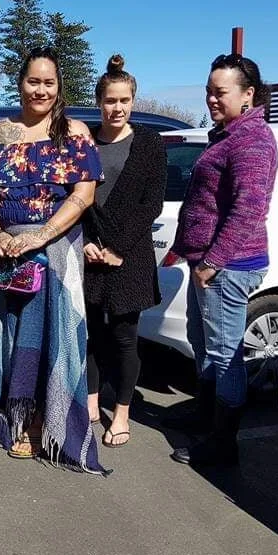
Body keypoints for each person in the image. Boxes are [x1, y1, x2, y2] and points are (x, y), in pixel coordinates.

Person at [0, 46, 106, 474]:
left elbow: (83, 196)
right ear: (20, 83)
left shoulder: (74, 132)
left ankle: (41, 423)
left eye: (48, 82)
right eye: (33, 81)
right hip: (6, 251)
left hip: (56, 251)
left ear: (59, 87)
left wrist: (40, 235)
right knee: (9, 334)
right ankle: (10, 416)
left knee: (54, 337)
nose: (40, 90)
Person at [169, 53, 278, 467]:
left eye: (221, 92)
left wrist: (212, 262)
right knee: (202, 342)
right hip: (208, 262)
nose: (212, 99)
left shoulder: (252, 140)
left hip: (228, 267)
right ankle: (204, 415)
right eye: (208, 91)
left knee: (224, 352)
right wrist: (187, 249)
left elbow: (248, 209)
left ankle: (223, 442)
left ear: (248, 94)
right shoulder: (228, 134)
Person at [83, 55, 167, 448]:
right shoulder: (85, 140)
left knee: (124, 337)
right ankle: (90, 403)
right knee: (90, 334)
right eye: (110, 100)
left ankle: (121, 413)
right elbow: (74, 197)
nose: (117, 108)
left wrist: (117, 248)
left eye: (124, 100)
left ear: (133, 100)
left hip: (130, 255)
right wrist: (87, 240)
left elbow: (152, 203)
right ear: (99, 101)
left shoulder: (148, 143)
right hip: (89, 254)